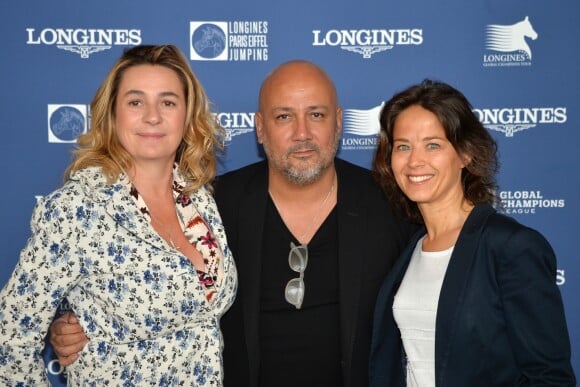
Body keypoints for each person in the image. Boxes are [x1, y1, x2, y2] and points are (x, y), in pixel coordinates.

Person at [49, 60, 416, 386]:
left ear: (338, 122)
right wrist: (77, 322)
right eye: (284, 116)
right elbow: (142, 283)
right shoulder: (210, 206)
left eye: (316, 115)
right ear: (259, 128)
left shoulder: (389, 202)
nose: (302, 133)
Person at [0, 45, 237, 385]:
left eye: (168, 102)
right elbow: (11, 337)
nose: (152, 116)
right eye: (135, 102)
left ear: (187, 116)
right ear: (112, 115)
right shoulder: (76, 209)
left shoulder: (198, 198)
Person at [369, 79, 575, 386]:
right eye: (403, 146)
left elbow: (549, 378)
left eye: (433, 145)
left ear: (465, 154)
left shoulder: (510, 246)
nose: (414, 161)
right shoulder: (410, 247)